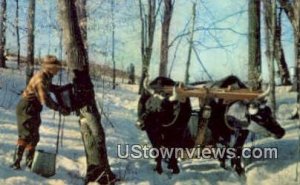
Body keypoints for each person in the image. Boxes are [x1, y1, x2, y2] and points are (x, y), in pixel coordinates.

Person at [11, 55, 70, 170]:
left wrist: (60, 89)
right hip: (26, 107)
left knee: (34, 137)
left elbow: (50, 87)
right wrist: (59, 108)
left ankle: (29, 163)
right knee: (25, 135)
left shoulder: (47, 76)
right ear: (50, 67)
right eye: (56, 68)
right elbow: (45, 100)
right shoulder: (40, 79)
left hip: (34, 108)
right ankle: (16, 163)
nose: (58, 71)